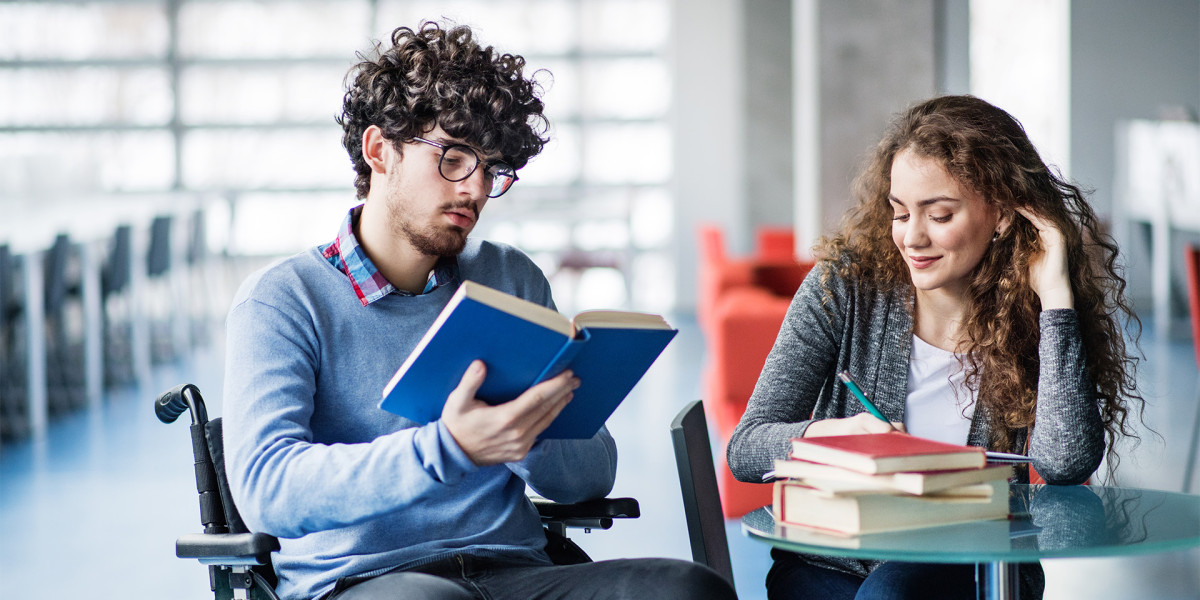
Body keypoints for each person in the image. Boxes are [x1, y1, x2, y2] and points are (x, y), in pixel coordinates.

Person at [222, 21, 736, 600]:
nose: (475, 189)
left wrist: (527, 433)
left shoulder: (509, 278)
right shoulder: (283, 301)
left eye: (491, 169)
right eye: (454, 157)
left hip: (516, 569)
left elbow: (593, 475)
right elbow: (268, 489)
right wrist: (448, 448)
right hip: (367, 581)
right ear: (378, 150)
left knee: (687, 589)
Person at [726, 95, 1144, 600]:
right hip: (830, 559)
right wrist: (834, 436)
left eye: (940, 214)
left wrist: (1056, 299)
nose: (913, 238)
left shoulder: (1032, 316)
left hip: (970, 560)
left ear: (1003, 216)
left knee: (892, 592)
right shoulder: (843, 288)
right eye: (900, 213)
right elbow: (746, 449)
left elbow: (1066, 462)